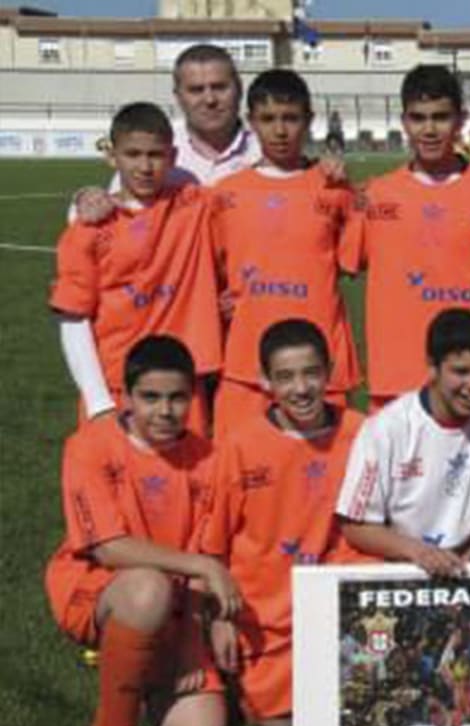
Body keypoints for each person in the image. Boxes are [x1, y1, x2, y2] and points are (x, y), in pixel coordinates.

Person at [43, 335, 239, 726]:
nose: (164, 411)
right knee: (147, 588)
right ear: (126, 396)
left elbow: (202, 555)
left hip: (173, 602)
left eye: (176, 398)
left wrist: (191, 640)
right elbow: (108, 549)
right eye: (150, 397)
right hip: (96, 588)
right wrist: (201, 565)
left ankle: (134, 675)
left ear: (193, 397)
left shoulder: (211, 460)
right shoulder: (89, 446)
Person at [200, 319, 365, 726]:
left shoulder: (362, 433)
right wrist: (220, 618)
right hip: (266, 614)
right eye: (285, 377)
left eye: (311, 373)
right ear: (264, 382)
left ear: (329, 371)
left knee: (361, 708)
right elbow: (213, 547)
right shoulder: (240, 446)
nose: (302, 388)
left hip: (340, 604)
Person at [340, 64, 470, 409]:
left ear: (461, 120)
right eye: (418, 118)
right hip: (399, 374)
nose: (430, 129)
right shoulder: (376, 195)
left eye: (441, 116)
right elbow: (338, 260)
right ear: (404, 121)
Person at [50, 102, 222, 433]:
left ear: (172, 158)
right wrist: (98, 400)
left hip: (183, 384)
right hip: (118, 387)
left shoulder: (193, 205)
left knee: (190, 482)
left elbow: (257, 191)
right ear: (112, 157)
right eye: (133, 154)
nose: (144, 166)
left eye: (155, 155)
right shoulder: (87, 230)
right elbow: (73, 318)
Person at [209, 69, 360, 436]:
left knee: (325, 480)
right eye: (268, 119)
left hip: (320, 362)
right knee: (239, 475)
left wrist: (353, 192)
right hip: (246, 364)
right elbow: (206, 274)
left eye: (290, 119)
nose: (280, 131)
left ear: (309, 121)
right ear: (251, 123)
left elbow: (355, 261)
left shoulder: (335, 189)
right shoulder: (225, 194)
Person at [335, 308, 470, 576]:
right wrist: (419, 554)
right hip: (399, 563)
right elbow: (355, 526)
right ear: (432, 368)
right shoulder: (386, 428)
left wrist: (464, 560)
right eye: (461, 372)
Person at [73, 44, 262, 221]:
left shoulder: (266, 152)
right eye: (196, 90)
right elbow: (112, 211)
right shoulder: (157, 150)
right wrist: (87, 199)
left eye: (219, 87)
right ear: (178, 96)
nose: (210, 99)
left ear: (239, 89)